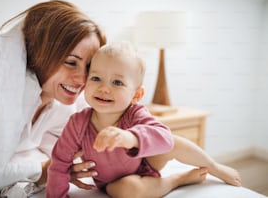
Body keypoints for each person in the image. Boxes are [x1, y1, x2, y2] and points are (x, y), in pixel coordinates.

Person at [47, 41, 239, 197]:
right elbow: (59, 163)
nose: (104, 88)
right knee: (129, 190)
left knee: (174, 142)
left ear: (136, 94)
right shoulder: (78, 122)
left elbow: (163, 138)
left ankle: (214, 167)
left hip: (145, 162)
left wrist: (132, 138)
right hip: (113, 182)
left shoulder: (135, 113)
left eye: (117, 82)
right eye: (96, 78)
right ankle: (176, 180)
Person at [0, 0, 106, 197]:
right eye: (71, 62)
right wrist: (42, 170)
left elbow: (57, 157)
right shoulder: (0, 98)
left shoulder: (61, 109)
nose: (82, 79)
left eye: (89, 67)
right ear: (43, 54)